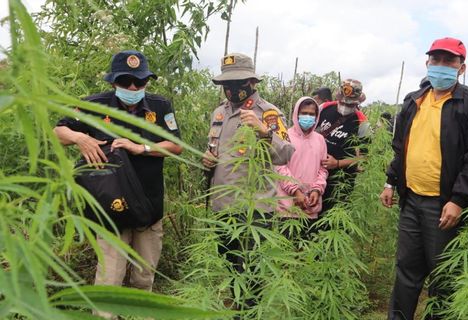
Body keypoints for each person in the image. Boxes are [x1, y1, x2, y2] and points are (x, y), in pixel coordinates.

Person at [54, 50, 182, 318]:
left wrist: (141, 148)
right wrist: (81, 139)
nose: (133, 88)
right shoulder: (94, 105)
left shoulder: (160, 106)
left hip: (148, 207)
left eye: (140, 82)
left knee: (143, 278)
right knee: (108, 282)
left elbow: (175, 145)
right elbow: (59, 130)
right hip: (110, 210)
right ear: (113, 82)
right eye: (126, 82)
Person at [379, 37, 468, 320]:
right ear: (427, 63)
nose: (441, 66)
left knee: (443, 276)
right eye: (436, 60)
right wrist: (390, 182)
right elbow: (401, 148)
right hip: (411, 200)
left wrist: (458, 200)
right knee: (406, 269)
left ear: (462, 67)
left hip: (444, 205)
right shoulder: (413, 101)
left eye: (449, 61)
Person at [201, 52, 294, 308]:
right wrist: (208, 158)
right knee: (231, 270)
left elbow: (286, 153)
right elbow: (215, 150)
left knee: (251, 275)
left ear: (252, 82)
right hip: (223, 206)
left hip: (254, 210)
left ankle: (248, 314)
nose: (231, 90)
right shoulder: (219, 113)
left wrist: (264, 131)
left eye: (237, 83)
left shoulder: (268, 112)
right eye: (226, 85)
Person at [315, 79, 370, 215]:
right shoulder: (324, 109)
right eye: (343, 102)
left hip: (341, 180)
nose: (345, 106)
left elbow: (364, 158)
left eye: (350, 104)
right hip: (315, 173)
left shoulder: (362, 122)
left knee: (333, 216)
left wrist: (338, 163)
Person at [275, 97, 328, 234]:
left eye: (312, 114)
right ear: (296, 114)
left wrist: (317, 190)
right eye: (304, 113)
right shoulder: (284, 136)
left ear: (317, 117)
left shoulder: (320, 139)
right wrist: (295, 191)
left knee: (306, 252)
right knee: (285, 251)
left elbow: (323, 169)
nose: (308, 117)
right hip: (286, 209)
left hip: (310, 208)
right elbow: (280, 167)